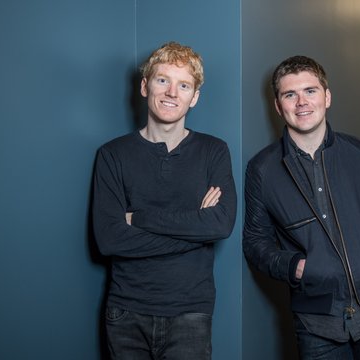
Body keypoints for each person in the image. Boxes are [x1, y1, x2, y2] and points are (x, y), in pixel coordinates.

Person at [243, 55, 360, 360]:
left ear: (327, 97)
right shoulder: (262, 169)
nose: (301, 102)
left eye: (310, 91)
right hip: (317, 322)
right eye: (290, 94)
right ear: (278, 106)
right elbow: (256, 243)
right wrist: (297, 267)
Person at [92, 41, 236, 360]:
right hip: (126, 312)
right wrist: (195, 230)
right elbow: (110, 239)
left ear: (194, 97)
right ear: (145, 87)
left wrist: (139, 218)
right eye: (162, 80)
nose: (172, 92)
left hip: (191, 313)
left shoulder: (214, 151)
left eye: (183, 85)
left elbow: (221, 224)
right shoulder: (112, 155)